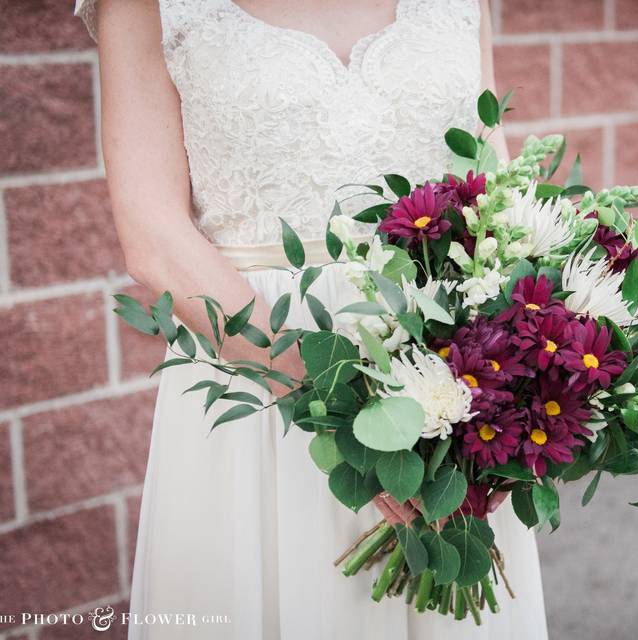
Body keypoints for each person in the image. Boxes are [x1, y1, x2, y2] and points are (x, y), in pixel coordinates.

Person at [74, 1, 548, 637]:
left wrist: (524, 370)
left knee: (449, 586)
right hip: (257, 373)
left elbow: (495, 189)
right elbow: (153, 237)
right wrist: (337, 400)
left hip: (448, 369)